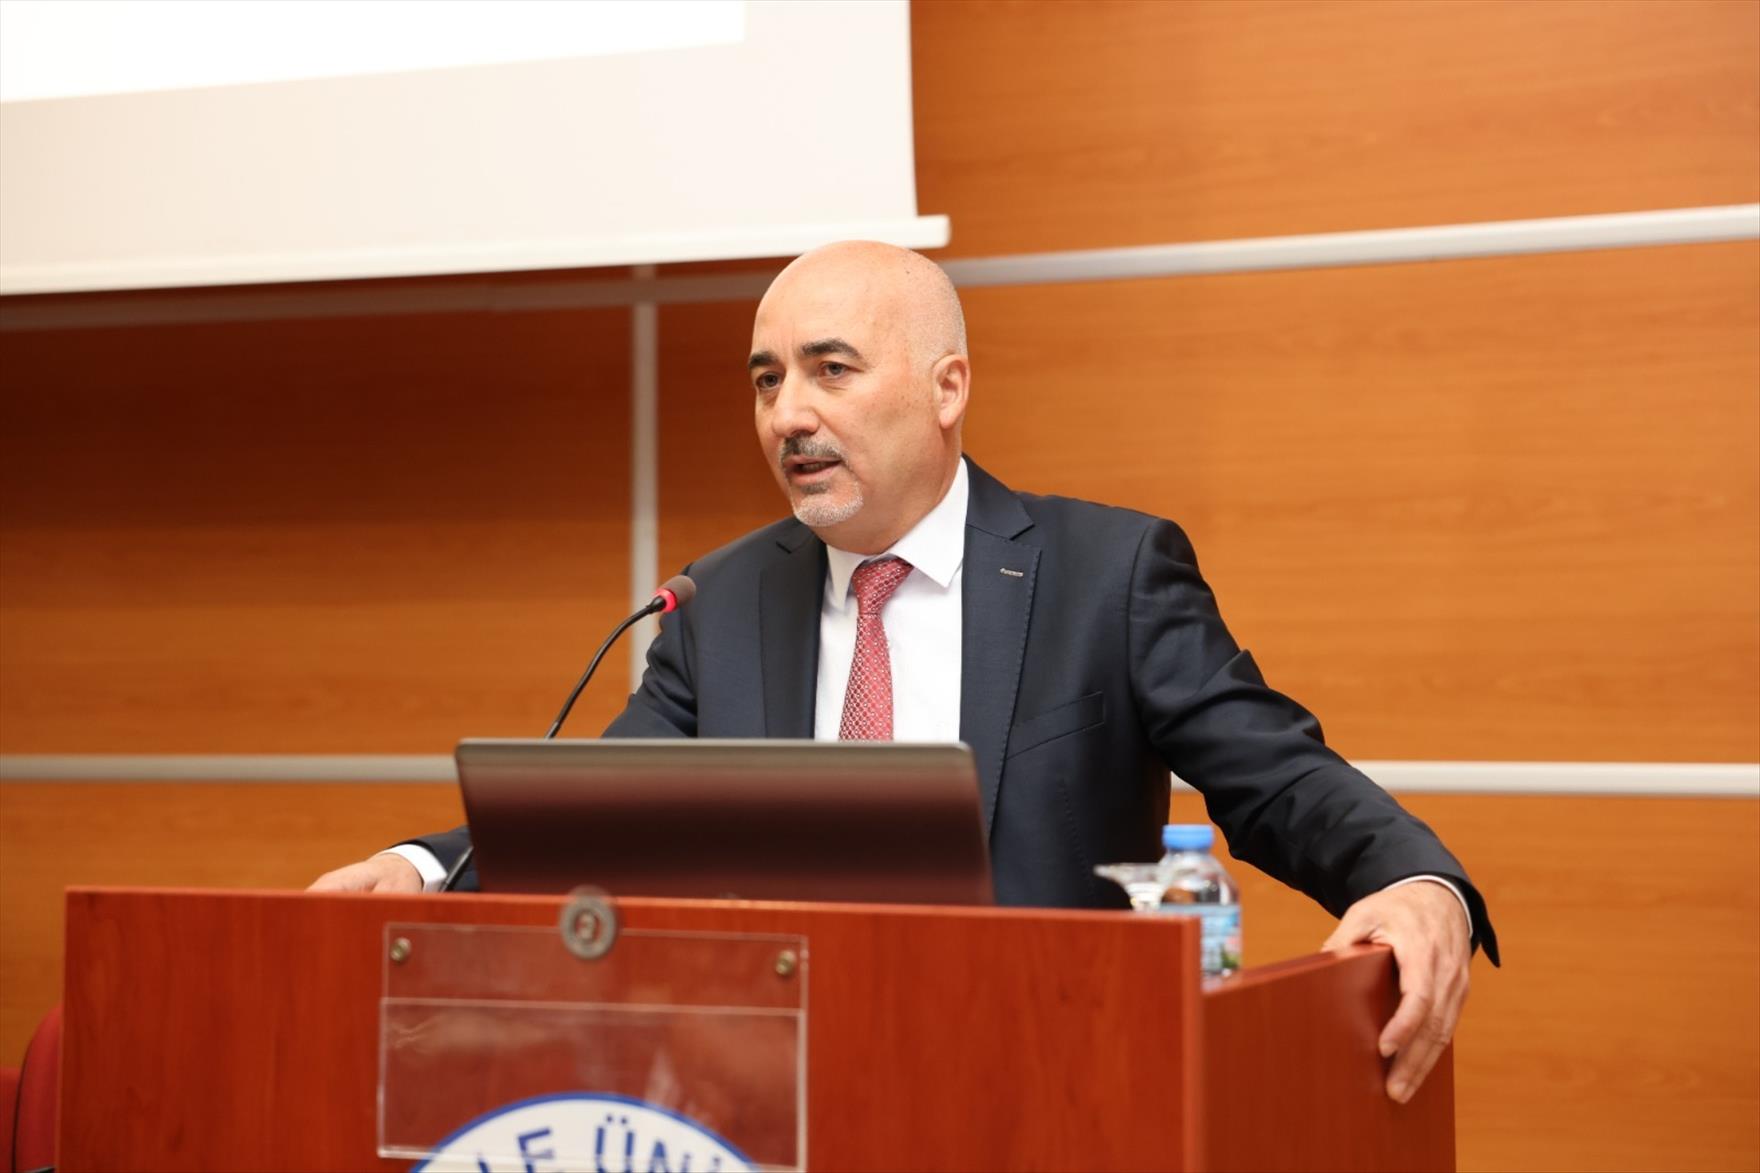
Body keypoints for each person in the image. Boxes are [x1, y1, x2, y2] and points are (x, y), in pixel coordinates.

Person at [312, 241, 1498, 1103]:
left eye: (830, 369)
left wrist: (1412, 881)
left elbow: (1275, 778)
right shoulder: (721, 598)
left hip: (1049, 1089)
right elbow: (602, 810)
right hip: (768, 1098)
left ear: (946, 387)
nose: (788, 415)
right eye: (766, 379)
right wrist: (422, 867)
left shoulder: (1105, 573)